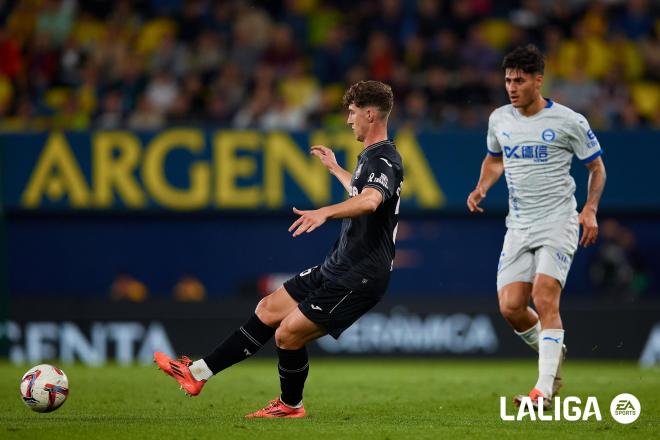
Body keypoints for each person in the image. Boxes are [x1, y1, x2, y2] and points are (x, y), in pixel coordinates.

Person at [155, 80, 404, 418]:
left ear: (370, 114)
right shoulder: (371, 158)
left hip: (359, 276)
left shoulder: (385, 158)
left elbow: (371, 201)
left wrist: (324, 212)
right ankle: (197, 373)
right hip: (339, 264)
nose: (348, 120)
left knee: (287, 335)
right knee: (269, 307)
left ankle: (290, 406)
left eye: (352, 112)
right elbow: (362, 192)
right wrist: (336, 170)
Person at [466, 45, 606, 408]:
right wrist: (482, 186)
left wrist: (589, 210)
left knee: (543, 297)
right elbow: (494, 159)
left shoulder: (568, 121)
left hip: (558, 221)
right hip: (519, 225)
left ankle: (544, 390)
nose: (511, 87)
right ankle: (553, 349)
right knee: (512, 307)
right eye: (508, 80)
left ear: (538, 81)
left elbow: (597, 168)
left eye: (520, 80)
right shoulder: (499, 119)